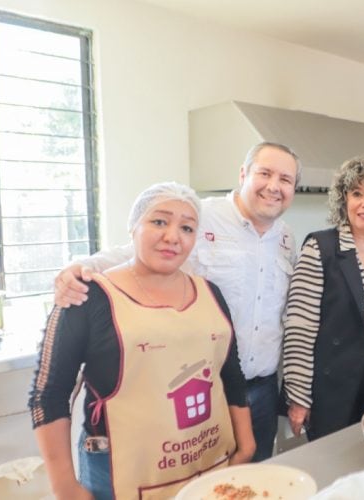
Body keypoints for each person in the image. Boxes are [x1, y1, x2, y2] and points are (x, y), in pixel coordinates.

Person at [52, 142, 300, 462]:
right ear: (243, 174)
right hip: (201, 386)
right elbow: (136, 253)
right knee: (194, 474)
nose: (274, 186)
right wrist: (78, 268)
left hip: (263, 389)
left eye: (285, 179)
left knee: (254, 476)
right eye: (264, 173)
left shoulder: (286, 237)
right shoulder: (201, 216)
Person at [29, 182, 255, 500]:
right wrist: (65, 486)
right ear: (133, 226)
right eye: (159, 221)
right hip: (121, 472)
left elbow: (230, 374)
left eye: (187, 228)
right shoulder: (88, 295)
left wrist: (246, 444)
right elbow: (48, 394)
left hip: (209, 462)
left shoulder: (210, 293)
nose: (173, 237)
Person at [282, 156, 364, 441]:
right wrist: (299, 397)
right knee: (335, 458)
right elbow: (299, 328)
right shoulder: (320, 248)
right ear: (344, 200)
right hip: (334, 384)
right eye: (357, 193)